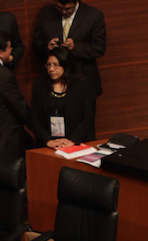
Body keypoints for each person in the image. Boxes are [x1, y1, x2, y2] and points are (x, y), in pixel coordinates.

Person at [32, 0, 106, 140]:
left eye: (68, 9)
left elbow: (99, 48)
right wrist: (46, 46)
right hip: (53, 83)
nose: (64, 12)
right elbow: (36, 43)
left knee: (83, 128)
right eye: (59, 8)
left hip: (82, 80)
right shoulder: (45, 14)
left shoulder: (93, 15)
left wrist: (75, 47)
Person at [30, 47, 95, 150]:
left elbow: (88, 118)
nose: (51, 69)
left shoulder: (81, 85)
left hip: (76, 142)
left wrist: (71, 140)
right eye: (48, 65)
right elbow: (34, 119)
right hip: (48, 144)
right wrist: (48, 140)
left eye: (56, 65)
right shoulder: (39, 85)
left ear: (65, 64)